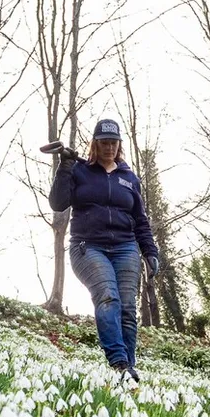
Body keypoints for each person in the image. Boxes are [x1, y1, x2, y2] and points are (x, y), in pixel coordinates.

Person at [49, 118, 160, 382]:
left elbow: (140, 220)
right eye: (104, 143)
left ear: (119, 145)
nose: (109, 147)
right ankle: (119, 363)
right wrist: (65, 167)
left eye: (113, 143)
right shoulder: (80, 170)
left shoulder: (129, 178)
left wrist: (150, 251)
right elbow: (58, 203)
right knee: (108, 297)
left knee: (127, 309)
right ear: (95, 144)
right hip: (88, 246)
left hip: (125, 248)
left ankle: (128, 371)